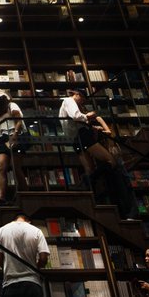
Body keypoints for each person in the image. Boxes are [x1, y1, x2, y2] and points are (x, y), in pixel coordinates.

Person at [59, 89, 138, 219]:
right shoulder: (69, 101)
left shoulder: (73, 107)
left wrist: (94, 127)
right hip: (82, 137)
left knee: (92, 169)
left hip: (79, 139)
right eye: (83, 99)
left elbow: (78, 120)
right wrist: (88, 116)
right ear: (77, 95)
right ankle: (92, 188)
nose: (82, 103)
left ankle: (90, 189)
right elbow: (76, 115)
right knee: (110, 163)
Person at [0, 213, 50, 297]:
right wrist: (36, 267)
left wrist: (8, 268)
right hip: (32, 284)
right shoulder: (36, 231)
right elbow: (44, 258)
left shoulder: (3, 230)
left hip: (11, 284)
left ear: (14, 219)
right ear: (28, 221)